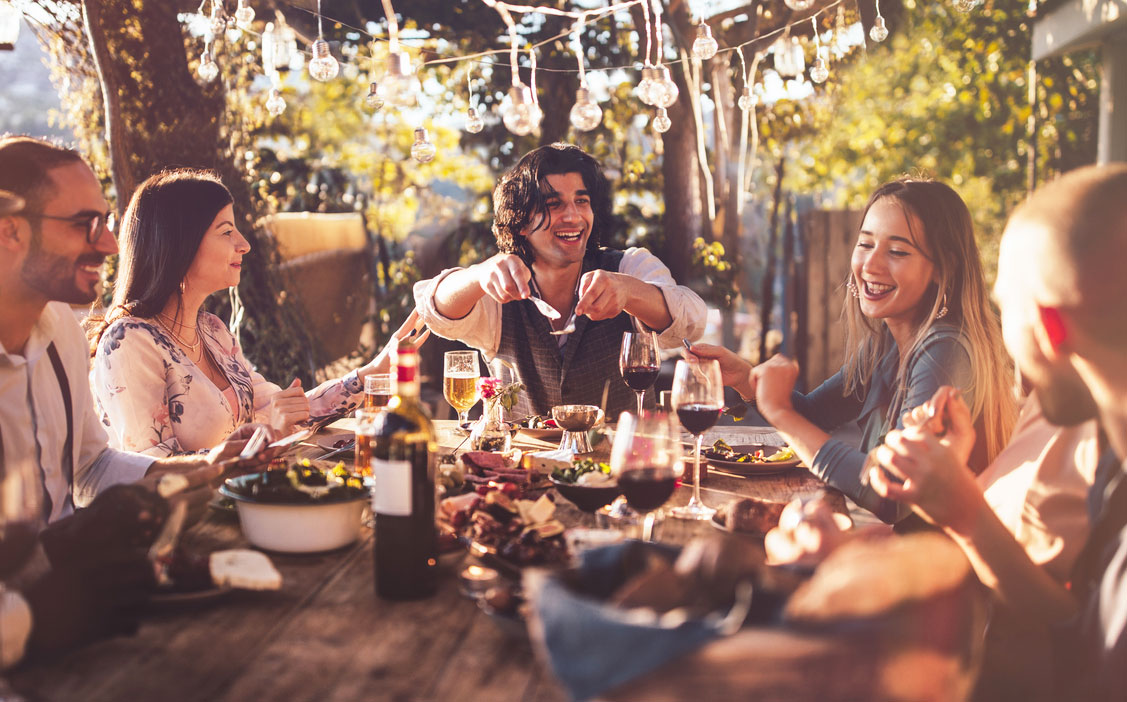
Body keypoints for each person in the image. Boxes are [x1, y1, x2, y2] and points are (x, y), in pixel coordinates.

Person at [868, 165, 1127, 700]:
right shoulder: (1094, 434)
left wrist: (962, 512)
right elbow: (1075, 619)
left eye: (1006, 306)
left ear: (1049, 329)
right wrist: (963, 496)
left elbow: (1087, 672)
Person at [691, 178, 1017, 523]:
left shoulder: (945, 351)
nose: (870, 266)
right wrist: (744, 377)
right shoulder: (887, 342)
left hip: (932, 562)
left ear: (942, 268)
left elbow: (890, 491)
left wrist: (781, 413)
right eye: (865, 245)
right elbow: (814, 417)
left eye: (897, 251)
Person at [0, 136, 265, 523]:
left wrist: (210, 465)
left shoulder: (62, 334)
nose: (109, 244)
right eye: (83, 225)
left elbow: (91, 469)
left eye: (105, 222)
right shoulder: (127, 339)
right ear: (10, 232)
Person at [88, 169, 426, 456]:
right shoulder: (129, 343)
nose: (244, 243)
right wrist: (266, 437)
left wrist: (373, 372)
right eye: (226, 231)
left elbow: (288, 412)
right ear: (179, 245)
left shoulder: (212, 332)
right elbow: (154, 472)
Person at [413, 143, 706, 418]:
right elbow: (435, 310)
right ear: (521, 222)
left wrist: (629, 292)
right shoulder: (497, 288)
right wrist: (478, 275)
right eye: (553, 204)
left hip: (623, 463)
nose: (573, 216)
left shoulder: (630, 265)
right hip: (522, 466)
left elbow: (691, 322)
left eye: (581, 200)